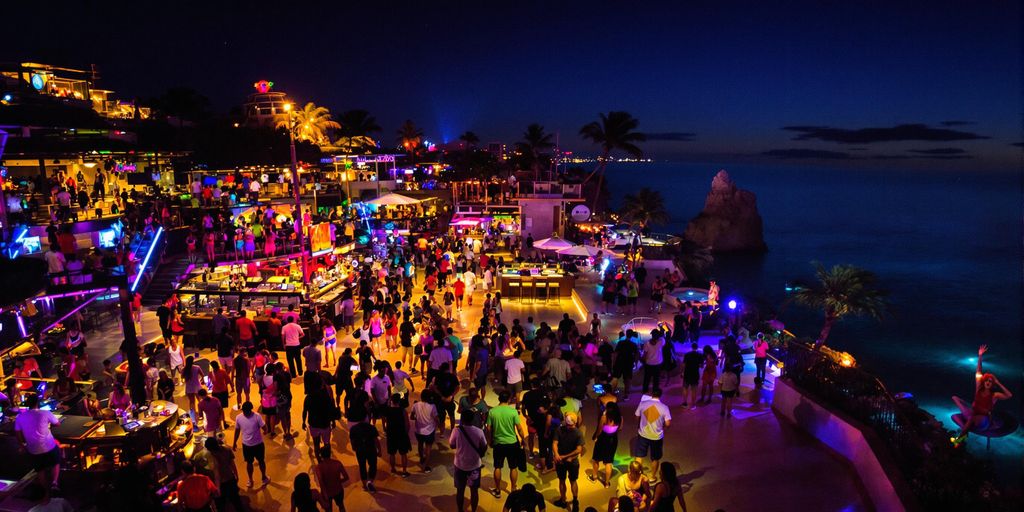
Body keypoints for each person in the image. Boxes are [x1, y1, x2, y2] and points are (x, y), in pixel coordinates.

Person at [952, 344, 1014, 446]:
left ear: (992, 384)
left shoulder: (995, 395)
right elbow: (978, 372)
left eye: (990, 381)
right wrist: (980, 356)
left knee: (971, 419)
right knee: (954, 413)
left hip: (983, 421)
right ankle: (965, 431)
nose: (988, 382)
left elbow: (1009, 395)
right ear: (984, 382)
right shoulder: (979, 389)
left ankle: (959, 440)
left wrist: (998, 382)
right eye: (986, 380)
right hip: (973, 414)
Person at [14, 394, 61, 490]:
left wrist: (22, 446)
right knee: (56, 462)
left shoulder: (19, 417)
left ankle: (45, 490)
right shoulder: (45, 413)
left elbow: (17, 433)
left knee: (40, 470)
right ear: (37, 403)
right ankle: (54, 483)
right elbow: (57, 424)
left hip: (33, 449)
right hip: (49, 446)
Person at [487, 390, 528, 499]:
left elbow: (488, 428)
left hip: (498, 443)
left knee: (497, 467)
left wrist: (490, 440)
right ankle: (513, 489)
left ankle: (497, 490)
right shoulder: (513, 412)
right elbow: (519, 428)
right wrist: (523, 439)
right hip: (512, 443)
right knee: (513, 467)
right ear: (509, 399)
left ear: (499, 399)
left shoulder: (492, 412)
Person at [451, 408, 488, 512]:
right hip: (474, 466)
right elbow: (484, 446)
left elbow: (452, 445)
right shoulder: (479, 431)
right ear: (472, 419)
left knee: (460, 490)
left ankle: (460, 510)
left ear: (462, 419)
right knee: (474, 491)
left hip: (460, 464)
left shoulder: (456, 430)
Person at [635, 389, 671, 481]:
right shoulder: (664, 407)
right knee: (655, 458)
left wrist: (640, 425)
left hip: (643, 434)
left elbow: (637, 416)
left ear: (651, 394)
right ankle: (652, 477)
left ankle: (637, 475)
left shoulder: (642, 403)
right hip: (656, 437)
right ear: (660, 395)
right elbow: (668, 424)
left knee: (639, 456)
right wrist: (663, 427)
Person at [232, 402, 270, 487]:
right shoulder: (240, 417)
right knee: (251, 462)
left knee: (260, 461)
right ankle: (253, 479)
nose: (245, 412)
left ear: (250, 410)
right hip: (249, 445)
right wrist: (234, 443)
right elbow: (237, 430)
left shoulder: (257, 416)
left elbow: (265, 428)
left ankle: (262, 477)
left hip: (256, 444)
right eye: (244, 411)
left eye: (246, 411)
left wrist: (266, 430)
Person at [553, 412, 585, 511]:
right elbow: (554, 443)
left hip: (570, 461)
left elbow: (579, 450)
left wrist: (564, 456)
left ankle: (574, 501)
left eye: (570, 425)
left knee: (572, 481)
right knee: (563, 480)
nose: (568, 427)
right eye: (567, 425)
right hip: (563, 461)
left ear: (575, 423)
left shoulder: (578, 433)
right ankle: (564, 500)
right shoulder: (560, 430)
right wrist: (556, 454)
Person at [203, 437, 246, 512]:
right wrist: (236, 475)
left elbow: (216, 474)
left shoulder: (211, 456)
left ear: (211, 449)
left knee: (221, 505)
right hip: (230, 478)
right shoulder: (227, 449)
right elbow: (232, 464)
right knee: (236, 501)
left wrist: (217, 488)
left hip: (220, 483)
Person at [348, 409, 382, 492]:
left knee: (362, 466)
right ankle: (370, 481)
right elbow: (376, 440)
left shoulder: (353, 429)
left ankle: (364, 484)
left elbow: (352, 440)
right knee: (373, 465)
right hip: (371, 449)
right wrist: (379, 450)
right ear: (366, 417)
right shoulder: (371, 428)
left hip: (360, 449)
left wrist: (354, 447)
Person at [590, 402, 621, 488]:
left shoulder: (604, 417)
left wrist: (595, 436)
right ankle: (607, 483)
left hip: (603, 439)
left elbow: (599, 429)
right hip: (613, 439)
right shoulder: (620, 418)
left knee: (596, 459)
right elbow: (620, 428)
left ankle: (594, 477)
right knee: (608, 462)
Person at [381, 393, 412, 477]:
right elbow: (407, 424)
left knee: (392, 453)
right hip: (401, 434)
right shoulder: (403, 411)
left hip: (391, 434)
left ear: (391, 401)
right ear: (399, 401)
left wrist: (385, 428)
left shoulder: (388, 410)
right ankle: (404, 471)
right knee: (403, 454)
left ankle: (393, 469)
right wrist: (406, 433)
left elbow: (384, 416)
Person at [313, 447, 350, 512]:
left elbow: (321, 483)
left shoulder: (319, 467)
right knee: (341, 506)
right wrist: (338, 481)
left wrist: (324, 495)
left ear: (321, 455)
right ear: (330, 453)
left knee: (329, 510)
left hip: (327, 492)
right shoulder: (337, 463)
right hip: (338, 490)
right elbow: (346, 477)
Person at [411, 389, 440, 473]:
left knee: (420, 444)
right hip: (429, 431)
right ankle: (426, 466)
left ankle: (421, 458)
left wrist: (418, 418)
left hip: (418, 430)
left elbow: (412, 417)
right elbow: (436, 418)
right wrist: (438, 424)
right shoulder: (432, 406)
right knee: (428, 447)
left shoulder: (415, 405)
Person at [681, 343, 703, 409]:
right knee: (694, 390)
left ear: (691, 347)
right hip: (695, 374)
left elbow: (683, 365)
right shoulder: (700, 355)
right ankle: (693, 405)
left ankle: (685, 403)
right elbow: (701, 366)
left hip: (687, 373)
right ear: (697, 347)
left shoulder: (687, 355)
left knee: (685, 388)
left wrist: (682, 372)